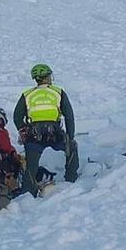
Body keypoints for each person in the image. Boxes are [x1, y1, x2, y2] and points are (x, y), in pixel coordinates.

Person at [13, 64, 79, 196]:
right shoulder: (58, 92)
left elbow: (17, 116)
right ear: (48, 76)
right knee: (72, 147)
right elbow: (69, 116)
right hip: (54, 133)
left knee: (31, 165)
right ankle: (71, 179)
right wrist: (70, 136)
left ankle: (28, 191)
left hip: (34, 135)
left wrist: (23, 130)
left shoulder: (27, 95)